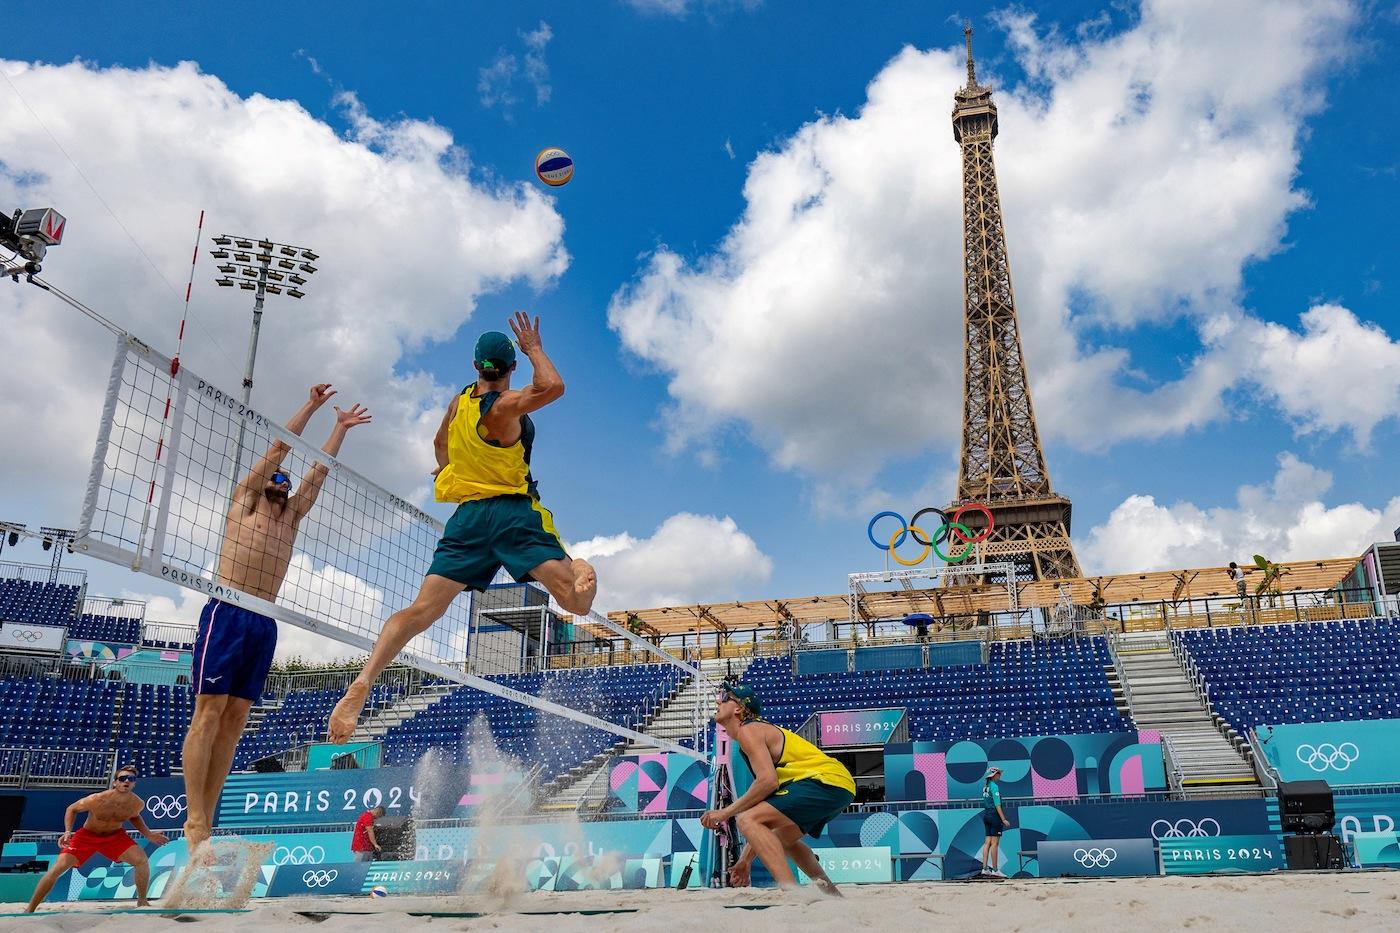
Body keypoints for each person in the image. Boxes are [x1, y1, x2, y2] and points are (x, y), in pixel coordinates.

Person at [328, 313, 596, 741]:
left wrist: (448, 471)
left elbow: (439, 442)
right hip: (511, 513)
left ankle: (365, 678)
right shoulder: (504, 405)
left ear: (476, 367)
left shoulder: (460, 402)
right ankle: (579, 565)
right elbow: (553, 387)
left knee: (420, 612)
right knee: (576, 603)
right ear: (509, 369)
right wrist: (533, 349)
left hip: (467, 519)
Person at [180, 384, 372, 850]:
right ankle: (194, 820)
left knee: (237, 717)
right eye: (277, 478)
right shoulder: (245, 502)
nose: (282, 483)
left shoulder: (292, 517)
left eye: (286, 481)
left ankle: (211, 813)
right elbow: (280, 447)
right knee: (209, 711)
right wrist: (309, 405)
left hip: (263, 619)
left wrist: (340, 428)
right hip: (228, 607)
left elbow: (319, 473)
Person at [701, 684, 855, 896]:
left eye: (725, 698)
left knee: (746, 819)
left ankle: (792, 892)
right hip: (839, 786)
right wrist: (745, 860)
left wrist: (725, 813)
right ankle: (831, 894)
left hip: (823, 781)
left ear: (738, 709)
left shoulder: (749, 730)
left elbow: (767, 782)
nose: (718, 702)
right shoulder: (756, 732)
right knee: (783, 839)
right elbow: (765, 800)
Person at [25, 765, 169, 912]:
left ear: (134, 783)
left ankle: (142, 901)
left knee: (141, 860)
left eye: (130, 779)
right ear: (115, 782)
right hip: (87, 836)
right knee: (57, 869)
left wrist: (148, 834)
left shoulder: (137, 803)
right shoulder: (97, 799)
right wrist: (68, 831)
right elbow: (71, 809)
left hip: (115, 836)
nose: (126, 781)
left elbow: (135, 817)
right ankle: (30, 908)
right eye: (122, 778)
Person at [978, 766, 1010, 878]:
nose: (1000, 775)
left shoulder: (985, 787)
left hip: (986, 815)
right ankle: (995, 870)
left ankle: (985, 868)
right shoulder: (994, 787)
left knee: (987, 843)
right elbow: (997, 805)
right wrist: (1003, 819)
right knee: (995, 844)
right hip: (994, 816)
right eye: (999, 773)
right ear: (994, 775)